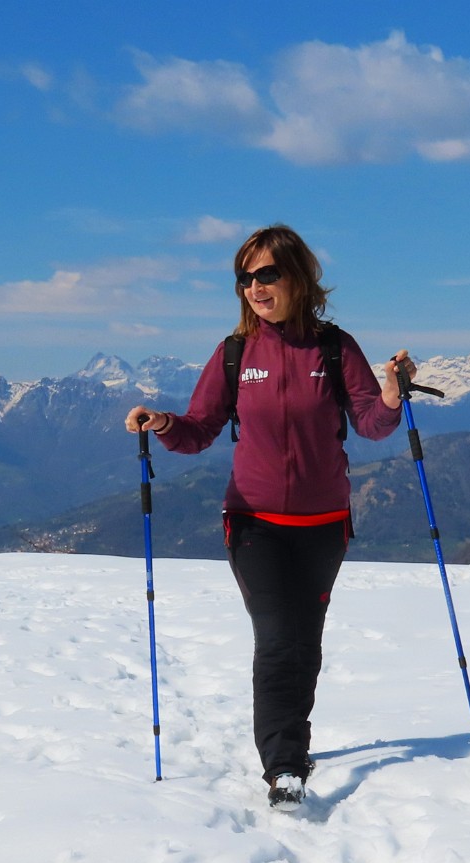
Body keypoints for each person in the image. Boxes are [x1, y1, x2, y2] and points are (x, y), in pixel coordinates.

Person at [126, 224, 414, 809]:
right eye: (245, 277)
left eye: (266, 274)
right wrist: (162, 424)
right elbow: (200, 428)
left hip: (324, 523)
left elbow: (370, 421)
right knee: (279, 637)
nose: (253, 286)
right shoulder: (235, 353)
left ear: (298, 279)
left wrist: (389, 396)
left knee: (305, 642)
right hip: (252, 521)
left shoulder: (334, 348)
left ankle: (292, 744)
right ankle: (284, 764)